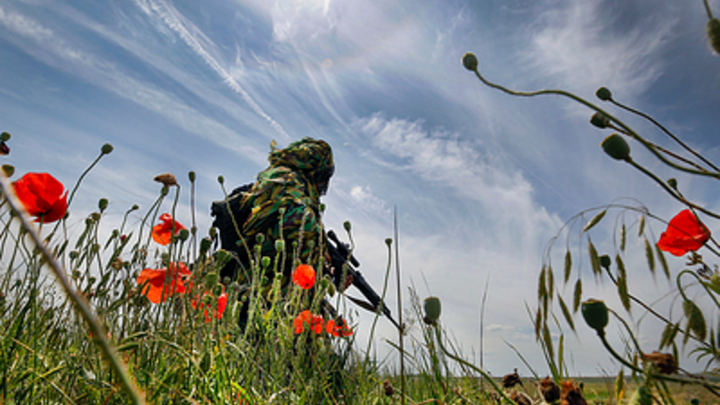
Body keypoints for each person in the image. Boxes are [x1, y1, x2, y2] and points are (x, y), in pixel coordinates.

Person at [211, 137, 336, 295]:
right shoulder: (294, 193)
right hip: (260, 296)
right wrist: (325, 269)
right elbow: (300, 250)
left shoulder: (269, 183)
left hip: (239, 284)